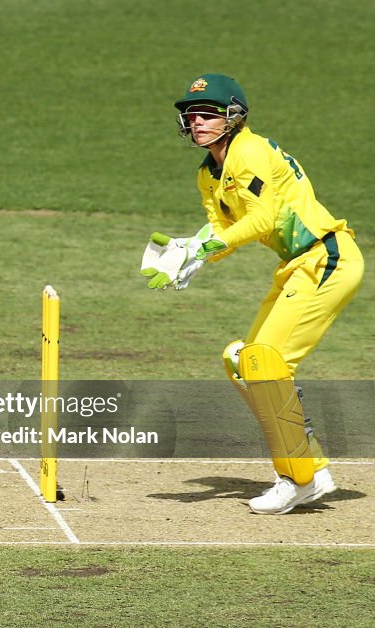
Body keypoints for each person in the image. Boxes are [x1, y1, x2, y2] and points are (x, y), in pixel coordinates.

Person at [141, 74, 363, 514]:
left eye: (208, 113)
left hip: (327, 258)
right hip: (297, 266)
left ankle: (296, 478)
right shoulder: (208, 174)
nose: (198, 121)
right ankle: (310, 467)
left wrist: (207, 247)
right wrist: (192, 255)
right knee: (241, 361)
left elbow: (261, 221)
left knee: (265, 363)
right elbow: (224, 230)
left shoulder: (250, 151)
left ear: (233, 115)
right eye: (192, 114)